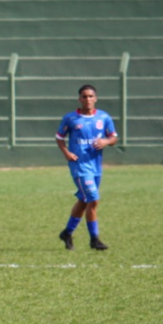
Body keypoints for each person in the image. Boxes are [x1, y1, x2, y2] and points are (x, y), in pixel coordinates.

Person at [56, 84, 118, 250]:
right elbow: (59, 137)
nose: (88, 99)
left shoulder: (103, 117)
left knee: (84, 201)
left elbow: (113, 138)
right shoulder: (71, 118)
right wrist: (66, 152)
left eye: (91, 96)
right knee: (93, 199)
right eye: (84, 96)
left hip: (96, 166)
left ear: (95, 98)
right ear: (79, 99)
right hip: (80, 166)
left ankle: (67, 233)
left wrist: (106, 141)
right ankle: (94, 239)